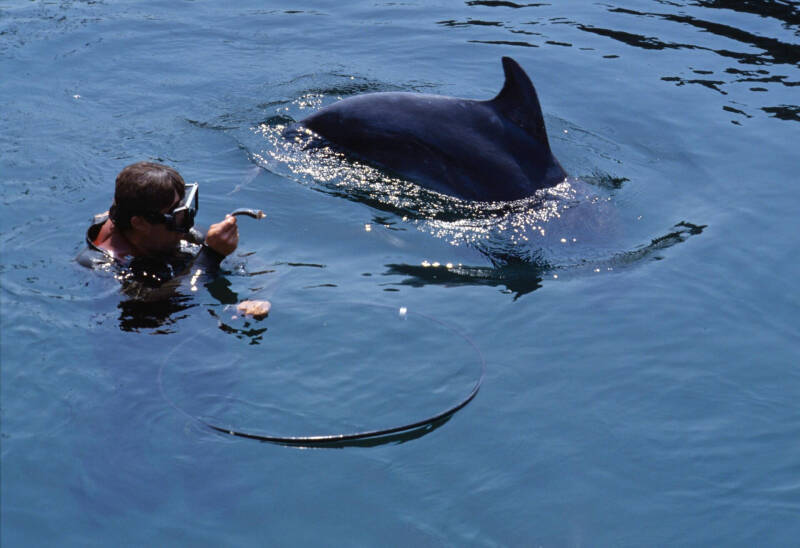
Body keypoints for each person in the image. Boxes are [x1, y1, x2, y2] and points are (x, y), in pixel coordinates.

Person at [78, 161, 270, 318]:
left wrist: (256, 296)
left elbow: (256, 265)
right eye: (177, 215)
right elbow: (150, 307)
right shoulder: (98, 266)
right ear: (140, 224)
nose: (186, 225)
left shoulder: (162, 226)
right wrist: (211, 256)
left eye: (185, 210)